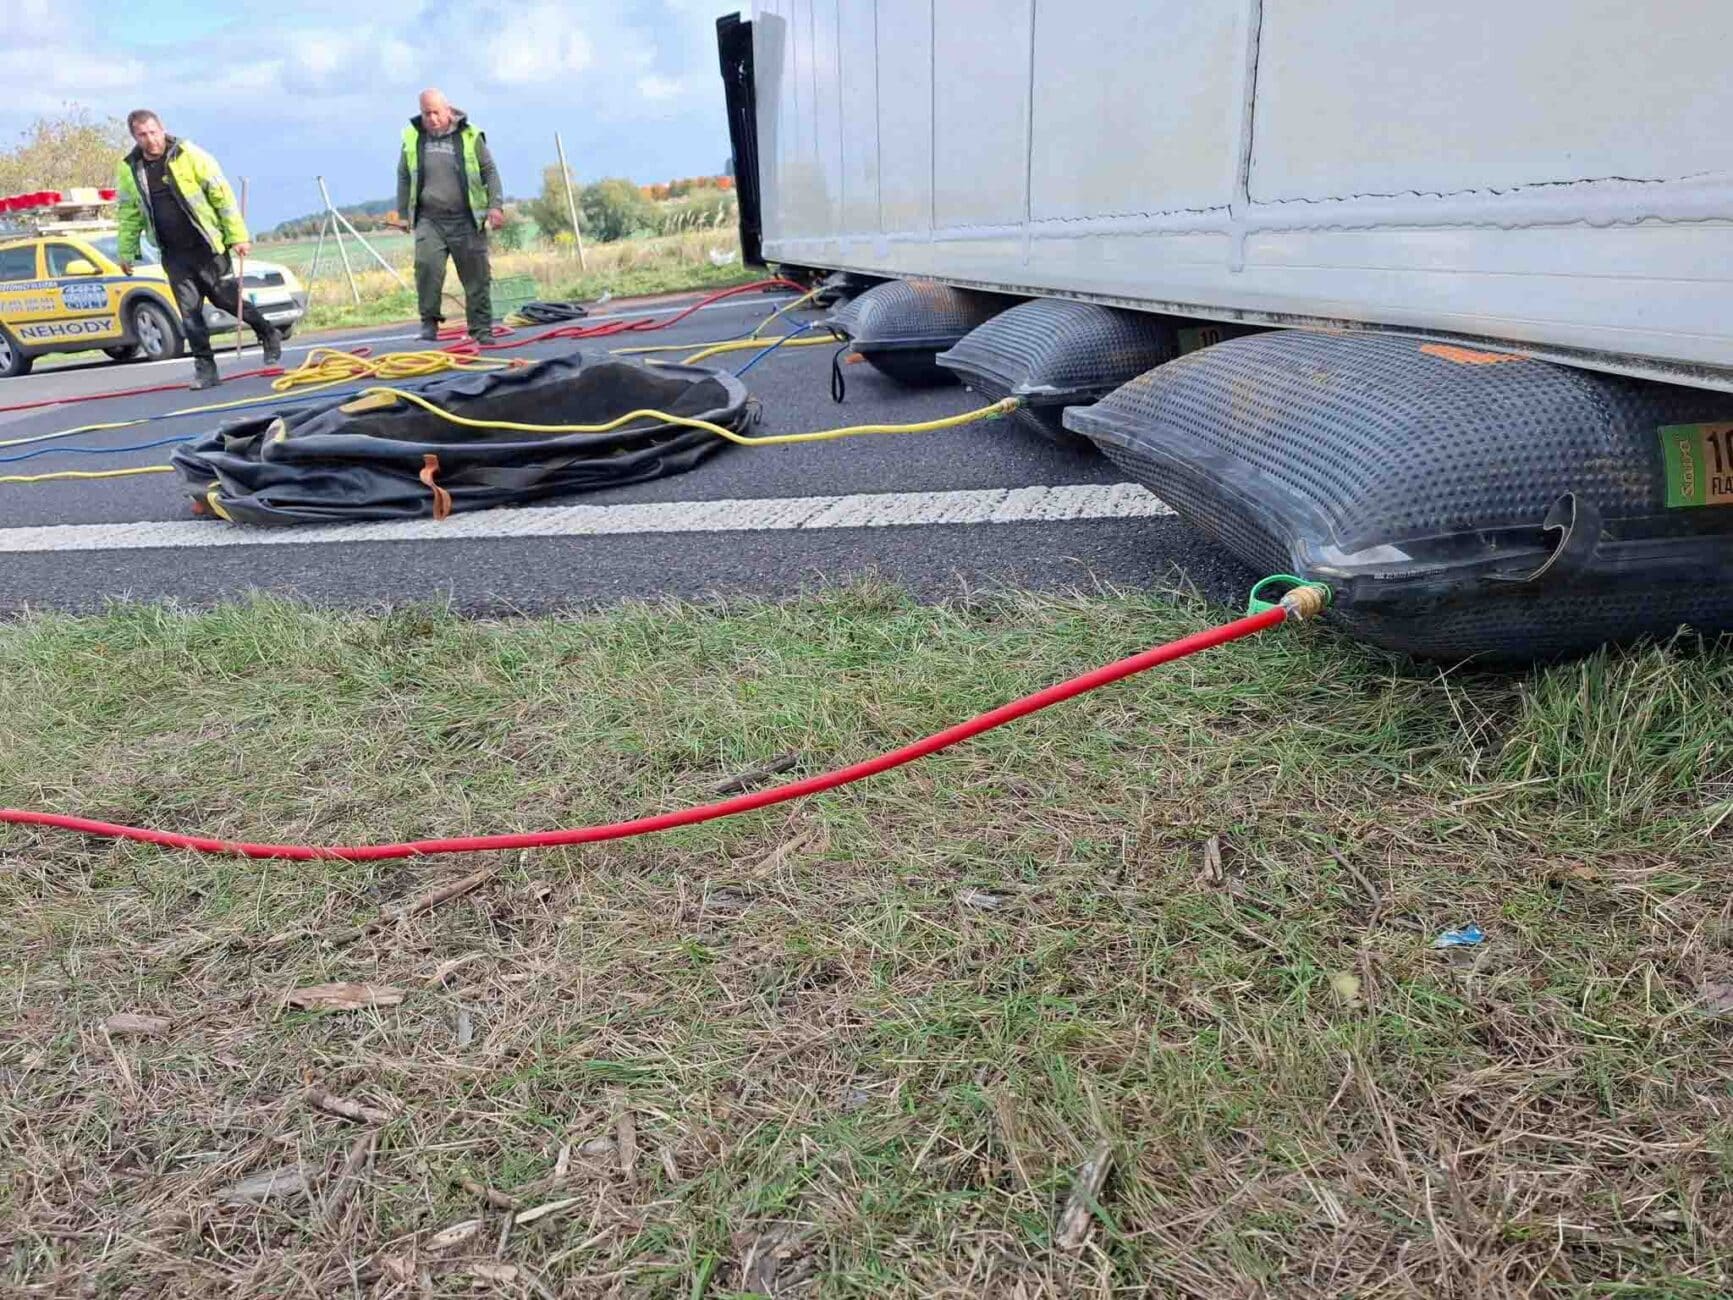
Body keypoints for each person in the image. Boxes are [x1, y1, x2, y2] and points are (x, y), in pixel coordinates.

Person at [115, 110, 281, 390]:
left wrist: (238, 236)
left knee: (226, 299)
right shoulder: (130, 168)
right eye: (142, 135)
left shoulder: (188, 154)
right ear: (135, 137)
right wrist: (126, 252)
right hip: (173, 253)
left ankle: (267, 332)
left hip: (207, 246)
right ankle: (205, 369)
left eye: (153, 132)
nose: (150, 139)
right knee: (189, 312)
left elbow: (222, 196)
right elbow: (129, 213)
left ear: (162, 129)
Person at [394, 89, 505, 343]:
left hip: (466, 218)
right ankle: (429, 324)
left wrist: (495, 206)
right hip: (430, 219)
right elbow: (403, 175)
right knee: (427, 267)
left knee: (476, 276)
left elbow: (489, 171)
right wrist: (402, 214)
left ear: (448, 110)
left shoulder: (469, 135)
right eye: (426, 113)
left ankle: (481, 330)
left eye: (436, 113)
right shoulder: (412, 137)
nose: (431, 118)